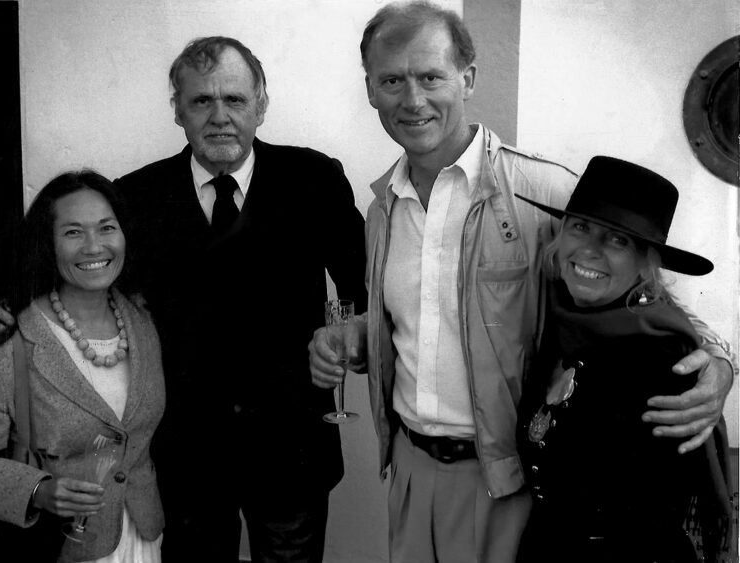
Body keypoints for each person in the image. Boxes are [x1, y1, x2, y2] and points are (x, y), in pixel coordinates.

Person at [308, 2, 735, 561]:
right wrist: (358, 337)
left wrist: (720, 362)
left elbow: (640, 292)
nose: (412, 100)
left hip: (503, 480)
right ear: (370, 90)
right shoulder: (382, 208)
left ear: (468, 79)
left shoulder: (543, 193)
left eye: (431, 76)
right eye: (392, 80)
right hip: (409, 470)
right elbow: (422, 318)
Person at [110, 36, 368, 561]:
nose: (220, 116)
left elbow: (366, 287)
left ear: (262, 104)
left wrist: (351, 341)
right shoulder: (134, 196)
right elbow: (85, 284)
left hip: (291, 447)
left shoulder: (314, 179)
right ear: (178, 109)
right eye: (202, 100)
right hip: (184, 455)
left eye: (235, 99)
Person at [514, 156, 734, 562]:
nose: (591, 250)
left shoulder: (664, 358)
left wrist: (724, 361)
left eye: (618, 240)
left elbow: (650, 519)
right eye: (580, 227)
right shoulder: (562, 320)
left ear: (646, 263)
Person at [0, 171, 165, 562]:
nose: (94, 246)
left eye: (106, 228)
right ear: (47, 244)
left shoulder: (144, 321)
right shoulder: (12, 338)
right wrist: (37, 490)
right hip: (58, 546)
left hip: (141, 537)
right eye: (73, 232)